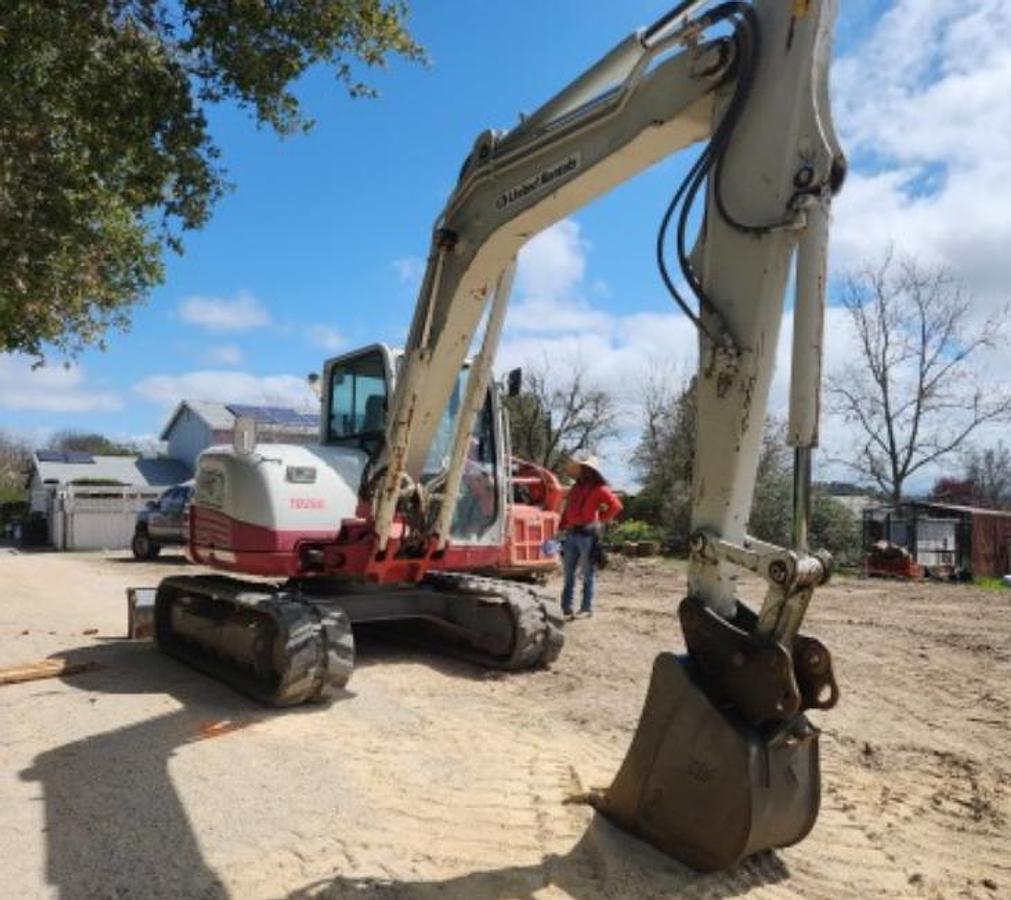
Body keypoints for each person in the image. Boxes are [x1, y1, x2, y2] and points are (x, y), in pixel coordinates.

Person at [558, 454, 623, 620]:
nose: (583, 471)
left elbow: (615, 506)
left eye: (586, 469)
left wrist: (600, 519)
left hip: (588, 535)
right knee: (569, 573)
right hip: (572, 534)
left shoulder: (599, 489)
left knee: (587, 574)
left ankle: (586, 608)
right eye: (582, 468)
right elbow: (568, 510)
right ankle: (566, 607)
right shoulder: (575, 489)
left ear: (592, 472)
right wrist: (561, 527)